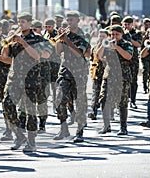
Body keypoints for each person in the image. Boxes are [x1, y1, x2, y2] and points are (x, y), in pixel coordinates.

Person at [2, 12, 51, 152]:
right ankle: (19, 134)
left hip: (31, 79)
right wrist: (8, 43)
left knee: (29, 111)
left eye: (23, 22)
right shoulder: (15, 38)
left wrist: (23, 42)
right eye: (19, 22)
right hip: (14, 77)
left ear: (30, 23)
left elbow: (37, 56)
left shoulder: (38, 39)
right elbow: (6, 57)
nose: (20, 25)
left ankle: (31, 141)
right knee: (7, 104)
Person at [54, 10, 91, 143]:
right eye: (68, 20)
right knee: (59, 99)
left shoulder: (83, 35)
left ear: (78, 20)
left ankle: (79, 131)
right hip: (65, 71)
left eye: (72, 20)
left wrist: (67, 40)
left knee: (79, 102)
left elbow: (79, 53)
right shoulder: (65, 35)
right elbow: (58, 51)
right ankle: (64, 129)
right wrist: (59, 39)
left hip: (79, 73)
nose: (69, 22)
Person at [97, 25, 133, 135]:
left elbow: (129, 56)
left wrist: (117, 47)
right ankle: (106, 125)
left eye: (117, 34)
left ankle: (123, 127)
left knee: (122, 101)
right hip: (109, 75)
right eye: (112, 34)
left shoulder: (127, 44)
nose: (114, 36)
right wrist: (103, 45)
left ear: (121, 35)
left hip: (122, 76)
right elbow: (98, 56)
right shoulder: (107, 43)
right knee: (103, 99)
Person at [122, 16, 142, 109]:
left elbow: (138, 44)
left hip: (133, 60)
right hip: (123, 60)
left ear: (132, 24)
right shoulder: (120, 32)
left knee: (133, 80)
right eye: (125, 24)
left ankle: (132, 100)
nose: (126, 26)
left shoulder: (136, 33)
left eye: (128, 25)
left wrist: (129, 38)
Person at [88, 29, 108, 120]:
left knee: (105, 94)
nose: (101, 38)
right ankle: (93, 111)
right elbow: (93, 58)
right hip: (97, 72)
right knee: (95, 93)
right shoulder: (95, 47)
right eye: (100, 36)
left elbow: (103, 58)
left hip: (107, 73)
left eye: (103, 36)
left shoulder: (109, 47)